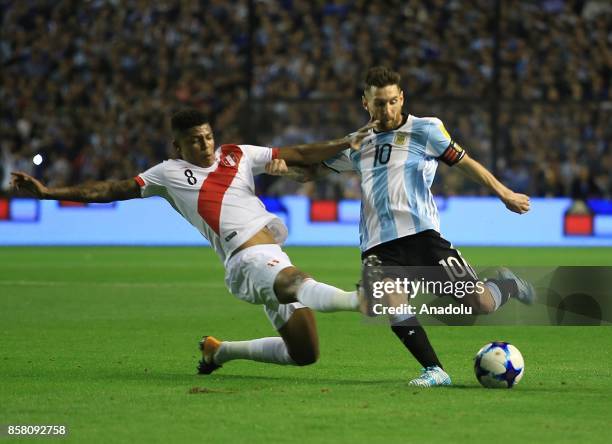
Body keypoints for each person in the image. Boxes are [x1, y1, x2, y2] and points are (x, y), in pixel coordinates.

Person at [11, 109, 375, 375]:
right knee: (297, 282)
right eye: (194, 140)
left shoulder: (238, 155)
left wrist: (345, 142)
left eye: (207, 136)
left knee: (305, 353)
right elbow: (111, 188)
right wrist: (49, 192)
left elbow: (298, 154)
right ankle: (357, 299)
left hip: (272, 256)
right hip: (246, 262)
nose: (204, 145)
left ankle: (220, 352)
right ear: (178, 145)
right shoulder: (167, 174)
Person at [269, 66, 535, 387]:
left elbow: (465, 162)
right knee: (391, 303)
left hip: (423, 237)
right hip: (378, 244)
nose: (387, 110)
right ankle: (434, 370)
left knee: (480, 303)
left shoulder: (426, 129)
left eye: (393, 101)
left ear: (402, 98)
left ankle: (506, 285)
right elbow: (312, 172)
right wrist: (283, 171)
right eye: (379, 103)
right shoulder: (357, 143)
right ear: (365, 103)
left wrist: (505, 194)